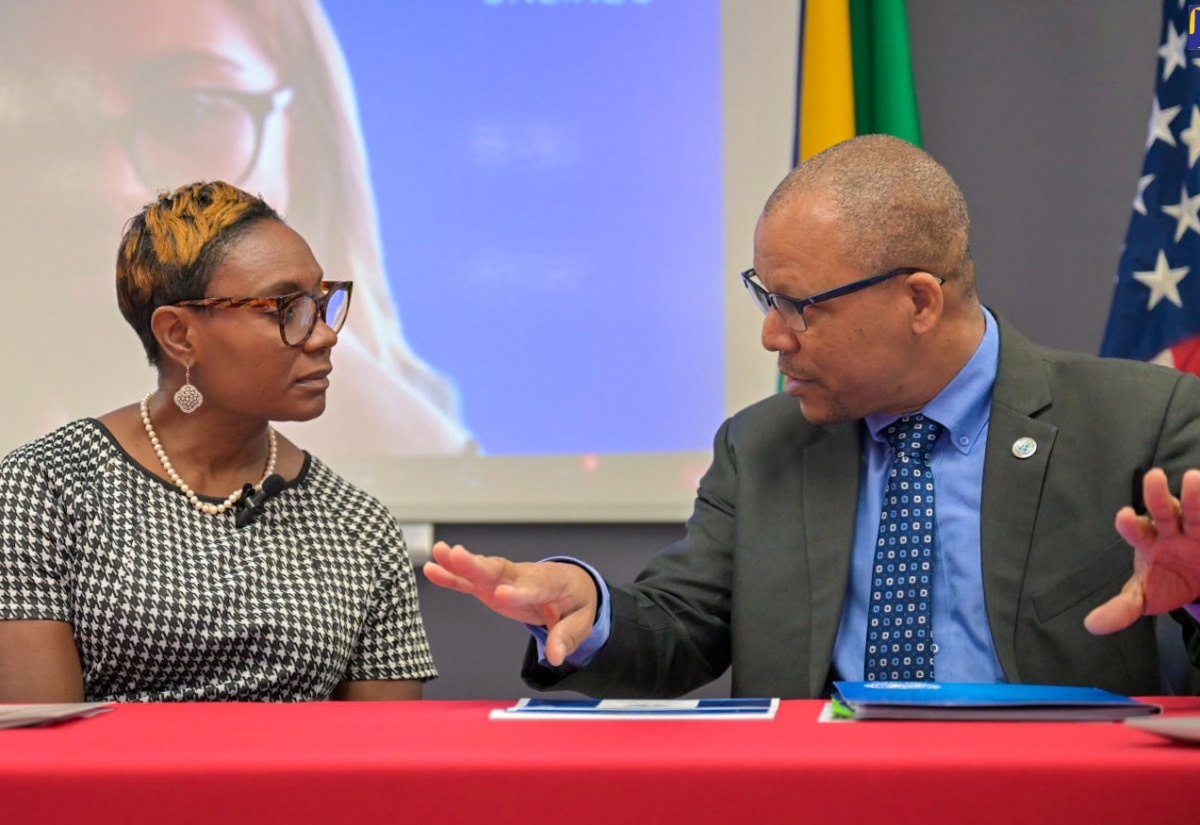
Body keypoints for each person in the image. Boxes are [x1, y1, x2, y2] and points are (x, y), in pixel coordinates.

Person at [425, 134, 1200, 699]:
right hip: (820, 797)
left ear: (919, 300)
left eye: (799, 305)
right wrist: (590, 610)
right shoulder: (761, 444)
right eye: (765, 298)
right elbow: (681, 626)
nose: (772, 334)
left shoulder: (1143, 421)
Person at [0, 181, 437, 702]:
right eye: (285, 308)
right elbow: (44, 749)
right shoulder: (41, 491)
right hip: (113, 785)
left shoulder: (358, 525)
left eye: (320, 303)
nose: (324, 335)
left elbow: (382, 761)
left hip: (298, 786)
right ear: (180, 335)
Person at [0, 0, 471, 459]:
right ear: (176, 335)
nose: (111, 182)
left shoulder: (353, 509)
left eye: (192, 111)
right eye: (51, 123)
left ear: (303, 142)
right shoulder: (43, 491)